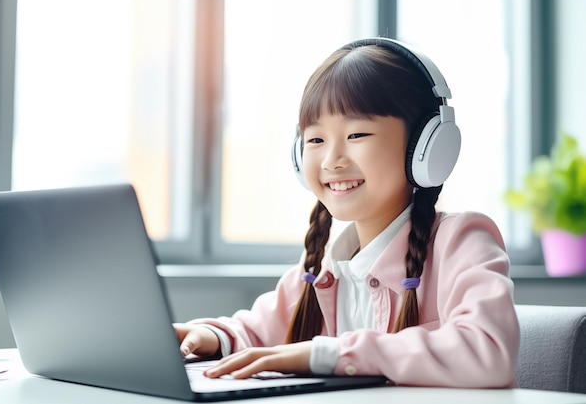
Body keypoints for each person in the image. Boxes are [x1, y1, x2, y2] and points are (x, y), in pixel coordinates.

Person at [174, 38, 520, 388]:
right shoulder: (323, 267)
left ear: (425, 146)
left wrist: (333, 354)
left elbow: (487, 351)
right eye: (315, 140)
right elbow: (257, 331)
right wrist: (212, 335)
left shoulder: (461, 242)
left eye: (357, 134)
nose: (331, 161)